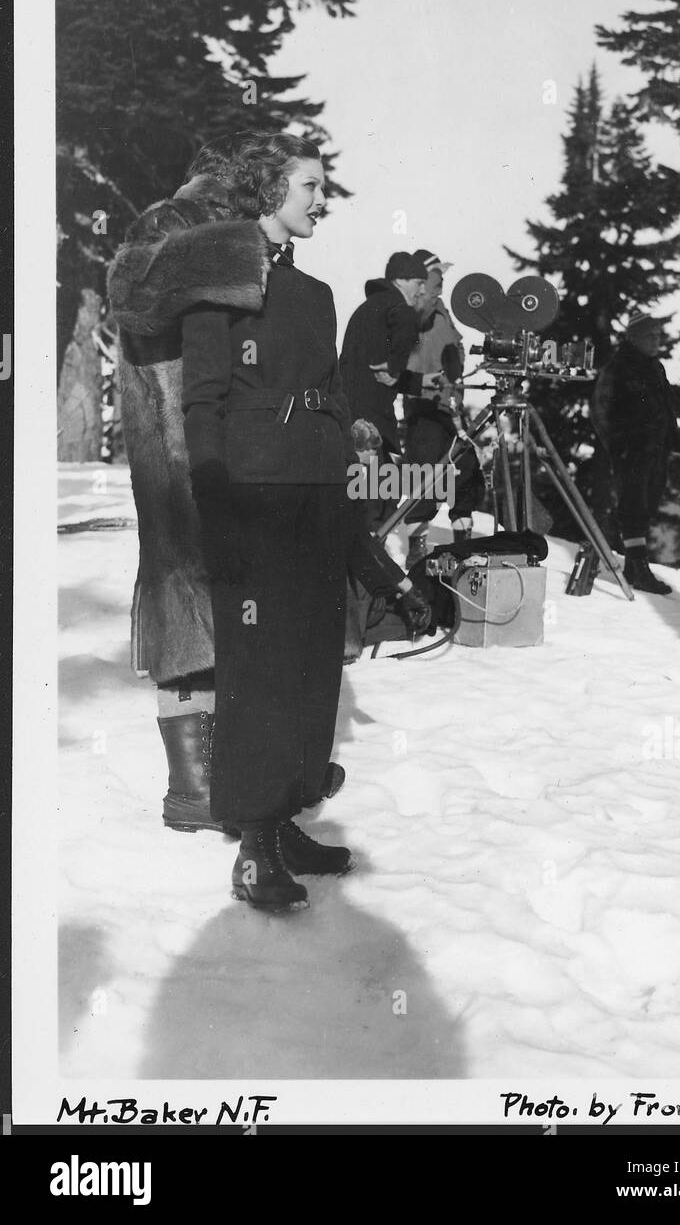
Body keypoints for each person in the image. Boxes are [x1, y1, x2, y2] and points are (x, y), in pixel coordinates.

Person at [109, 134, 427, 841]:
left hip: (234, 440)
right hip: (182, 442)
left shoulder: (245, 245)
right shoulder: (175, 224)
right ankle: (195, 783)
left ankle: (267, 768)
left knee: (249, 609)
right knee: (188, 594)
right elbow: (133, 293)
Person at [180, 132, 368, 912]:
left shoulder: (318, 294)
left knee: (313, 657)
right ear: (267, 190)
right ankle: (253, 843)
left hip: (317, 485)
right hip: (253, 488)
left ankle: (286, 813)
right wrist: (214, 494)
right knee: (259, 662)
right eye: (310, 185)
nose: (322, 199)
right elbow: (202, 399)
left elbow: (325, 385)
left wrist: (347, 435)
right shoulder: (217, 282)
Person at [338, 251, 442, 528]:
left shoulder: (373, 307)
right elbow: (390, 365)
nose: (422, 290)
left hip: (355, 410)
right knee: (382, 492)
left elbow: (377, 371)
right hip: (373, 417)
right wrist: (397, 368)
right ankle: (370, 555)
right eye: (419, 282)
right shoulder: (399, 307)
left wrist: (419, 381)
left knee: (367, 487)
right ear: (402, 280)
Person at [590, 312, 680, 595]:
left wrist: (669, 442)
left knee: (647, 505)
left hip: (656, 451)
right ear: (634, 338)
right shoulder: (617, 368)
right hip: (631, 453)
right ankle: (638, 568)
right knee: (633, 507)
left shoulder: (655, 367)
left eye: (658, 336)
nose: (657, 341)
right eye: (650, 336)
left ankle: (634, 565)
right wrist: (621, 447)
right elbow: (600, 411)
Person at [402, 248, 485, 560]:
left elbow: (455, 347)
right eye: (437, 278)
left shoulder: (440, 310)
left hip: (450, 407)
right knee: (424, 476)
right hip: (424, 408)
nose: (441, 285)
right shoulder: (417, 308)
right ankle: (416, 549)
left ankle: (462, 541)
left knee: (465, 472)